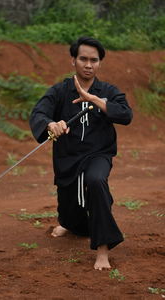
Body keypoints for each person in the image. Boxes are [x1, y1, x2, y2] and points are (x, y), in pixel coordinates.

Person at [29, 36, 133, 270]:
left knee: (95, 181)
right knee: (71, 213)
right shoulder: (59, 91)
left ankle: (103, 250)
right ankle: (68, 223)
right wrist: (50, 125)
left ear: (99, 63)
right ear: (73, 61)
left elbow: (126, 115)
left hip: (98, 155)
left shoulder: (107, 91)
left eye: (94, 60)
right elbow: (39, 114)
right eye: (83, 59)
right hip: (68, 158)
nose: (88, 64)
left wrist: (96, 100)